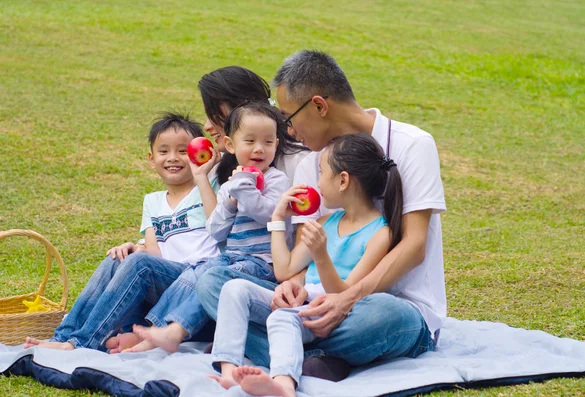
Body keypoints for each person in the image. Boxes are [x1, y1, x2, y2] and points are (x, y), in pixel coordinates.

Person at [196, 50, 446, 381]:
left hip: (382, 306)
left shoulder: (412, 144)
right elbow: (303, 254)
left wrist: (347, 299)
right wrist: (294, 287)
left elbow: (414, 245)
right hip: (314, 305)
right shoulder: (309, 165)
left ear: (319, 106)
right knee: (214, 283)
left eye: (287, 117)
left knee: (385, 316)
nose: (288, 130)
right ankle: (316, 357)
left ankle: (274, 350)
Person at [209, 133, 409, 397]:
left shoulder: (380, 233)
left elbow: (344, 295)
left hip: (330, 313)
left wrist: (321, 255)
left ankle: (283, 386)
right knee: (235, 289)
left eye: (321, 173)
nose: (317, 182)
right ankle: (229, 372)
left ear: (343, 181)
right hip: (301, 306)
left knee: (282, 318)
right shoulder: (326, 222)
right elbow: (284, 270)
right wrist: (278, 217)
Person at [24, 112, 222, 351]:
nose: (173, 158)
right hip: (165, 280)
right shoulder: (153, 201)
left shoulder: (208, 186)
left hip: (194, 282)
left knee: (140, 263)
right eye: (163, 151)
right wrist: (134, 248)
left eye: (182, 151)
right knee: (117, 259)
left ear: (195, 155)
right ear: (151, 159)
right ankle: (62, 336)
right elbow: (154, 253)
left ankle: (81, 342)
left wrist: (208, 167)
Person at [122, 101, 291, 354]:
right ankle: (158, 327)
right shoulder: (231, 184)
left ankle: (174, 331)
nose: (259, 149)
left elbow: (269, 215)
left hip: (262, 263)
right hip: (233, 257)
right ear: (231, 145)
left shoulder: (276, 179)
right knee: (198, 271)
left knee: (212, 278)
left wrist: (243, 189)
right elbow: (216, 231)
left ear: (276, 145)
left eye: (268, 142)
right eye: (250, 141)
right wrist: (230, 202)